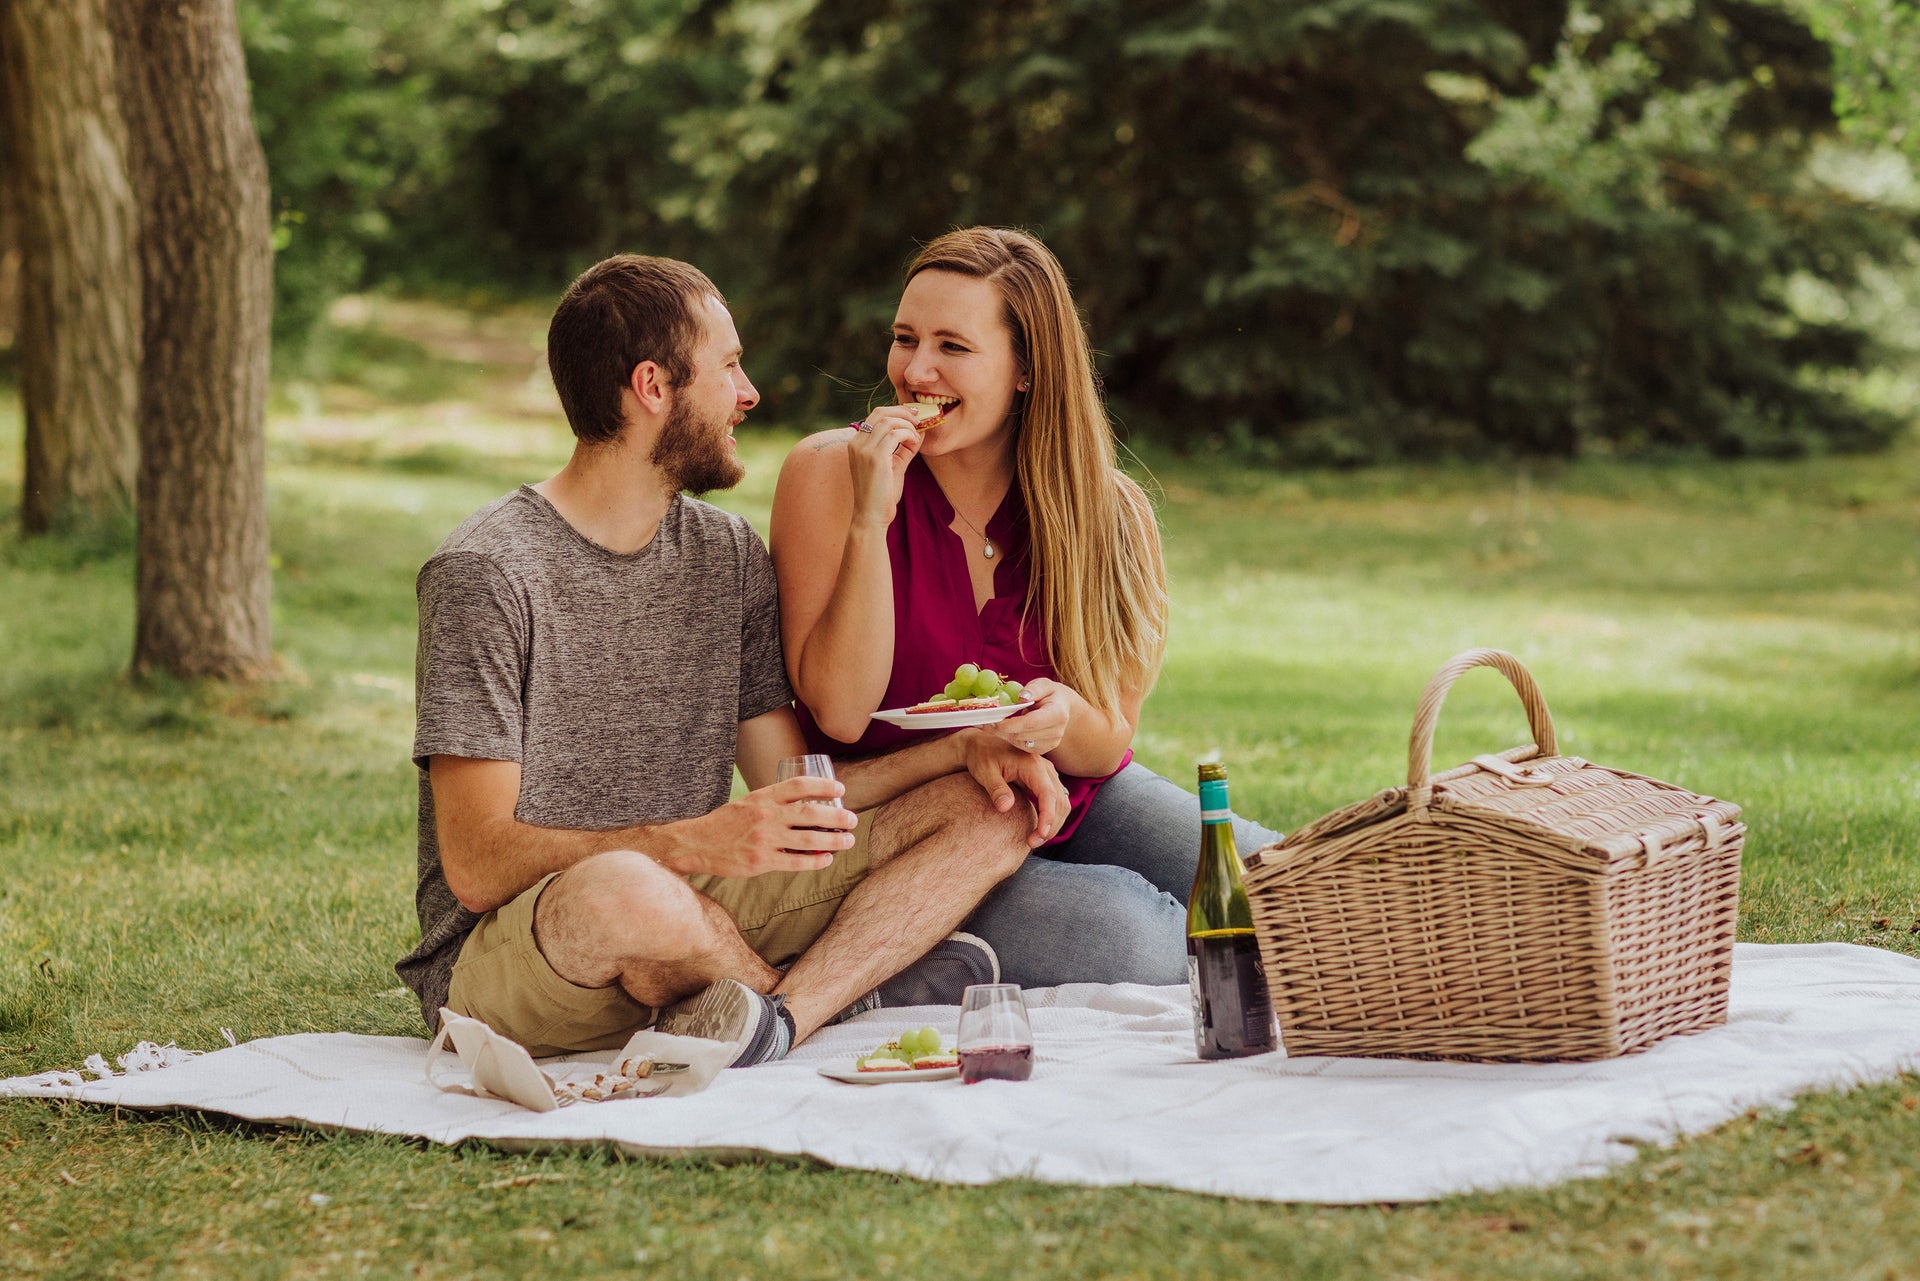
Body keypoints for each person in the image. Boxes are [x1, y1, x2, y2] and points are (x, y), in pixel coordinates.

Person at [394, 254, 1070, 1067]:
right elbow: (476, 864)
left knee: (985, 806)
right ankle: (817, 992)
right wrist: (689, 843)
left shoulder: (726, 555)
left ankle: (777, 1017)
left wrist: (962, 750)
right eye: (728, 368)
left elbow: (802, 786)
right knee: (628, 887)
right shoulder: (489, 571)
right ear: (653, 386)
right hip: (526, 940)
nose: (749, 394)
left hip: (693, 900)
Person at [771, 227, 1282, 987]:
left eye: (953, 346)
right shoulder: (830, 473)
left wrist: (1063, 717)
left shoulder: (1109, 512)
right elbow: (842, 713)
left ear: (1026, 371)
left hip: (1064, 794)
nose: (915, 371)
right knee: (1139, 937)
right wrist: (870, 518)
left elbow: (1107, 745)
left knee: (1279, 880)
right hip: (905, 825)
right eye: (905, 339)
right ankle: (891, 962)